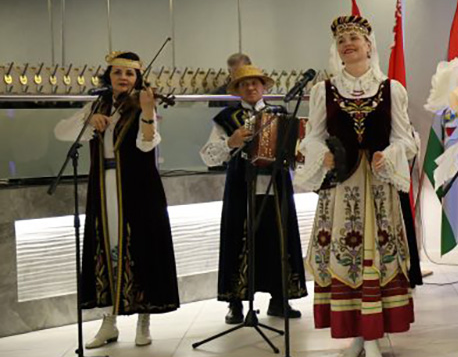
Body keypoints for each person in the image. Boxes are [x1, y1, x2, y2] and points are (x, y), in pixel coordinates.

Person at [293, 15, 419, 357]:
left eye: (354, 38)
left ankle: (373, 335)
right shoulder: (323, 90)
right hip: (341, 187)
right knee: (346, 255)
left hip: (378, 186)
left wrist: (389, 155)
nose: (347, 44)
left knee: (377, 255)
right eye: (341, 40)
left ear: (368, 45)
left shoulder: (392, 89)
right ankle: (358, 336)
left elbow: (405, 139)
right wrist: (321, 155)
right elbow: (313, 137)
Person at [54, 51, 180, 348]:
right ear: (108, 76)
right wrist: (89, 118)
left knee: (141, 247)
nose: (123, 77)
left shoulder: (142, 104)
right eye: (118, 72)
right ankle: (108, 321)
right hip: (104, 186)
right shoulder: (97, 104)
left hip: (140, 189)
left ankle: (143, 320)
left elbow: (147, 144)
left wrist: (147, 111)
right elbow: (62, 132)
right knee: (107, 245)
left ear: (137, 78)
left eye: (130, 73)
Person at [199, 64, 306, 325]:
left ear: (264, 87)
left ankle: (279, 299)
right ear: (237, 90)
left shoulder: (279, 113)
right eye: (244, 84)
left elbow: (295, 149)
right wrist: (231, 142)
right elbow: (208, 156)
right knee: (238, 240)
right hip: (241, 186)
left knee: (277, 240)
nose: (250, 87)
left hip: (275, 186)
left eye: (255, 83)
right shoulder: (226, 118)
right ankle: (235, 302)